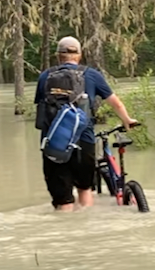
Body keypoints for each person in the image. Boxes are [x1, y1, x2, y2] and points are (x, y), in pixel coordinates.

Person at [34, 36, 138, 212]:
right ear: (79, 55)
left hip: (54, 143)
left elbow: (41, 107)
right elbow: (116, 103)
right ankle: (87, 224)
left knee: (63, 199)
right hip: (84, 140)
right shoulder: (91, 74)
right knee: (85, 188)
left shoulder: (45, 76)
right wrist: (127, 120)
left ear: (58, 55)